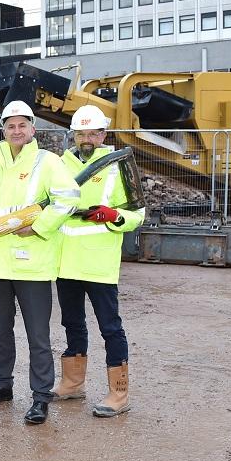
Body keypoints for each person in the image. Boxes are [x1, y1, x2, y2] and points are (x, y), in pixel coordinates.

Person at [0, 100, 80, 425]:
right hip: (0, 264)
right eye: (11, 126)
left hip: (32, 264)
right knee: (1, 332)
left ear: (32, 129)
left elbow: (69, 199)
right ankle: (2, 385)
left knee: (37, 336)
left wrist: (37, 227)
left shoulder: (47, 162)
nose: (16, 131)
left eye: (22, 125)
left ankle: (40, 396)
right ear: (3, 130)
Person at [51, 105, 143, 417]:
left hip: (100, 263)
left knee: (110, 328)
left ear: (103, 134)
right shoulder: (60, 164)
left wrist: (115, 215)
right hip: (66, 263)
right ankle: (73, 384)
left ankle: (119, 393)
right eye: (81, 133)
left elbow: (137, 214)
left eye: (93, 133)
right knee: (72, 324)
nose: (86, 139)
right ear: (73, 136)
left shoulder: (119, 165)